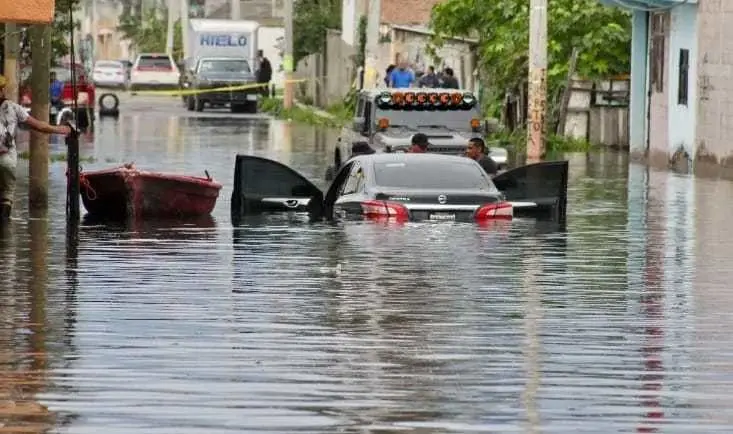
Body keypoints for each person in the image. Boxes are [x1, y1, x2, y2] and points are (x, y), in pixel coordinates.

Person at [0, 74, 72, 222]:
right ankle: (4, 224)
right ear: (2, 89)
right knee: (7, 193)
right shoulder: (13, 107)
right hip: (6, 158)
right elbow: (39, 126)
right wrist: (59, 129)